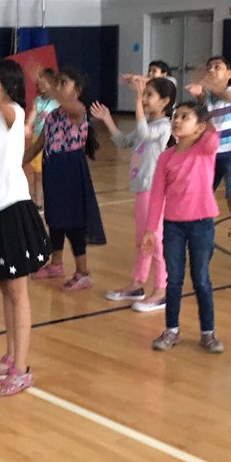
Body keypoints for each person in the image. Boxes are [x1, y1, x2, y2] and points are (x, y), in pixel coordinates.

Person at [0, 58, 50, 396]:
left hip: (13, 211)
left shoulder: (11, 115)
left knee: (18, 292)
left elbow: (10, 107)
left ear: (6, 89)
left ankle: (21, 369)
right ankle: (9, 355)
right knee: (4, 289)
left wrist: (4, 83)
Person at [142, 101, 222, 352]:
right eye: (176, 116)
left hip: (202, 224)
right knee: (173, 279)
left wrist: (206, 98)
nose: (176, 120)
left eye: (185, 117)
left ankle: (208, 333)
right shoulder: (166, 157)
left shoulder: (205, 150)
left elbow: (213, 135)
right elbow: (156, 195)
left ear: (199, 128)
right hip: (173, 226)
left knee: (200, 279)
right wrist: (149, 229)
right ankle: (171, 330)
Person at [91, 73, 174, 310]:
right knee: (142, 240)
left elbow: (146, 135)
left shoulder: (164, 126)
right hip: (141, 190)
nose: (145, 99)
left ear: (165, 101)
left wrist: (136, 101)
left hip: (153, 191)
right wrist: (107, 119)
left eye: (150, 95)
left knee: (155, 240)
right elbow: (122, 141)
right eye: (144, 95)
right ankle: (137, 284)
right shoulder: (146, 124)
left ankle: (161, 289)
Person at [25, 68, 106, 291]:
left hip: (71, 171)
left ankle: (83, 272)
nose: (58, 86)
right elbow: (38, 145)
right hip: (53, 170)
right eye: (57, 83)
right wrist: (17, 163)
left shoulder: (78, 110)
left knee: (73, 222)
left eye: (63, 83)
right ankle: (56, 264)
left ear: (77, 90)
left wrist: (49, 86)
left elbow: (67, 103)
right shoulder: (52, 116)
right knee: (55, 219)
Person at [188, 54, 231, 270]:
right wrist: (199, 97)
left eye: (218, 67)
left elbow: (224, 95)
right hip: (210, 155)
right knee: (202, 201)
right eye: (209, 68)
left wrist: (205, 86)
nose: (213, 70)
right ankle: (201, 249)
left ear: (229, 73)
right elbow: (203, 117)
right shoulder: (207, 96)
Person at [24, 67, 59, 210]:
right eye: (39, 83)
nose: (41, 85)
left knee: (53, 173)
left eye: (45, 82)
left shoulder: (57, 101)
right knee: (38, 173)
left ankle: (53, 198)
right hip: (38, 139)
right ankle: (38, 201)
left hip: (54, 140)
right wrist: (28, 125)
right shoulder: (37, 101)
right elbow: (33, 113)